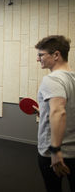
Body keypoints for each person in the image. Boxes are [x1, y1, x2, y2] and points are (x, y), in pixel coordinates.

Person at [34, 35, 75, 192]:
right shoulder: (72, 78)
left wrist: (55, 150)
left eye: (41, 54)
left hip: (54, 153)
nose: (38, 59)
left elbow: (59, 111)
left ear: (56, 55)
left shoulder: (52, 79)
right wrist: (43, 112)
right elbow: (66, 108)